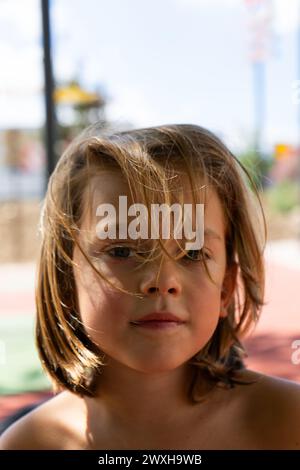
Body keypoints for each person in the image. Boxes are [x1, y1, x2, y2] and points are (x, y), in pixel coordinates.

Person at [1, 123, 299, 450]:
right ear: (67, 279)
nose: (162, 282)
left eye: (193, 253)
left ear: (225, 288)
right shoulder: (30, 444)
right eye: (122, 251)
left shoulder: (288, 422)